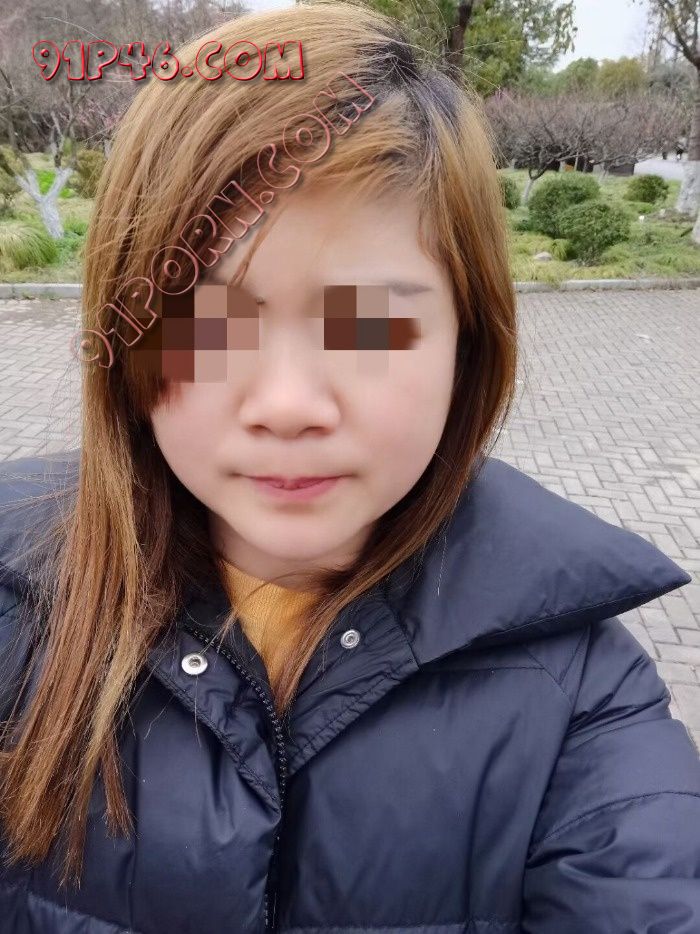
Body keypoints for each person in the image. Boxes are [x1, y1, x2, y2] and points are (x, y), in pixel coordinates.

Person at [1, 2, 699, 932]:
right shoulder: (18, 608)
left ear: (467, 346)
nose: (289, 404)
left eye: (369, 324)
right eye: (207, 323)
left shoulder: (579, 696)